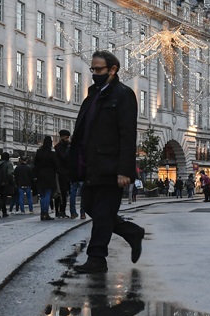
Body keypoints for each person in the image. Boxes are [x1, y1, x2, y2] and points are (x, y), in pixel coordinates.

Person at [70, 50, 145, 273]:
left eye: (99, 69)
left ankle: (96, 258)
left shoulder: (123, 95)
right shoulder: (92, 95)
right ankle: (131, 232)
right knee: (91, 207)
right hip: (92, 166)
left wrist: (125, 170)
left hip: (112, 167)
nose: (94, 73)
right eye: (93, 69)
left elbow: (127, 134)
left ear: (113, 69)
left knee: (102, 214)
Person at [35, 135, 60, 221]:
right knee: (48, 195)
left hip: (40, 176)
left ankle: (42, 213)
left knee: (42, 196)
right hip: (50, 175)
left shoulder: (39, 152)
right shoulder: (52, 154)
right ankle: (46, 213)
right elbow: (57, 165)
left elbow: (35, 165)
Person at [54, 130, 72, 218]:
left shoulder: (66, 146)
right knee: (60, 193)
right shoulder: (58, 147)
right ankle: (59, 211)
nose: (68, 139)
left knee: (65, 193)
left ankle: (62, 210)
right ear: (62, 137)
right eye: (66, 138)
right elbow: (64, 157)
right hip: (61, 173)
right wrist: (69, 149)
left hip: (67, 172)